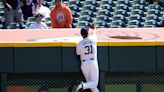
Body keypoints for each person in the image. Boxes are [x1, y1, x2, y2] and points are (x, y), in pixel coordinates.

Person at [76, 24, 100, 92]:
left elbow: (78, 53)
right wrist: (94, 28)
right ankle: (82, 86)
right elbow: (94, 33)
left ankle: (84, 85)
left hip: (84, 64)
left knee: (93, 88)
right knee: (94, 84)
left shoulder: (79, 43)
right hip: (92, 63)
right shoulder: (93, 39)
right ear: (87, 33)